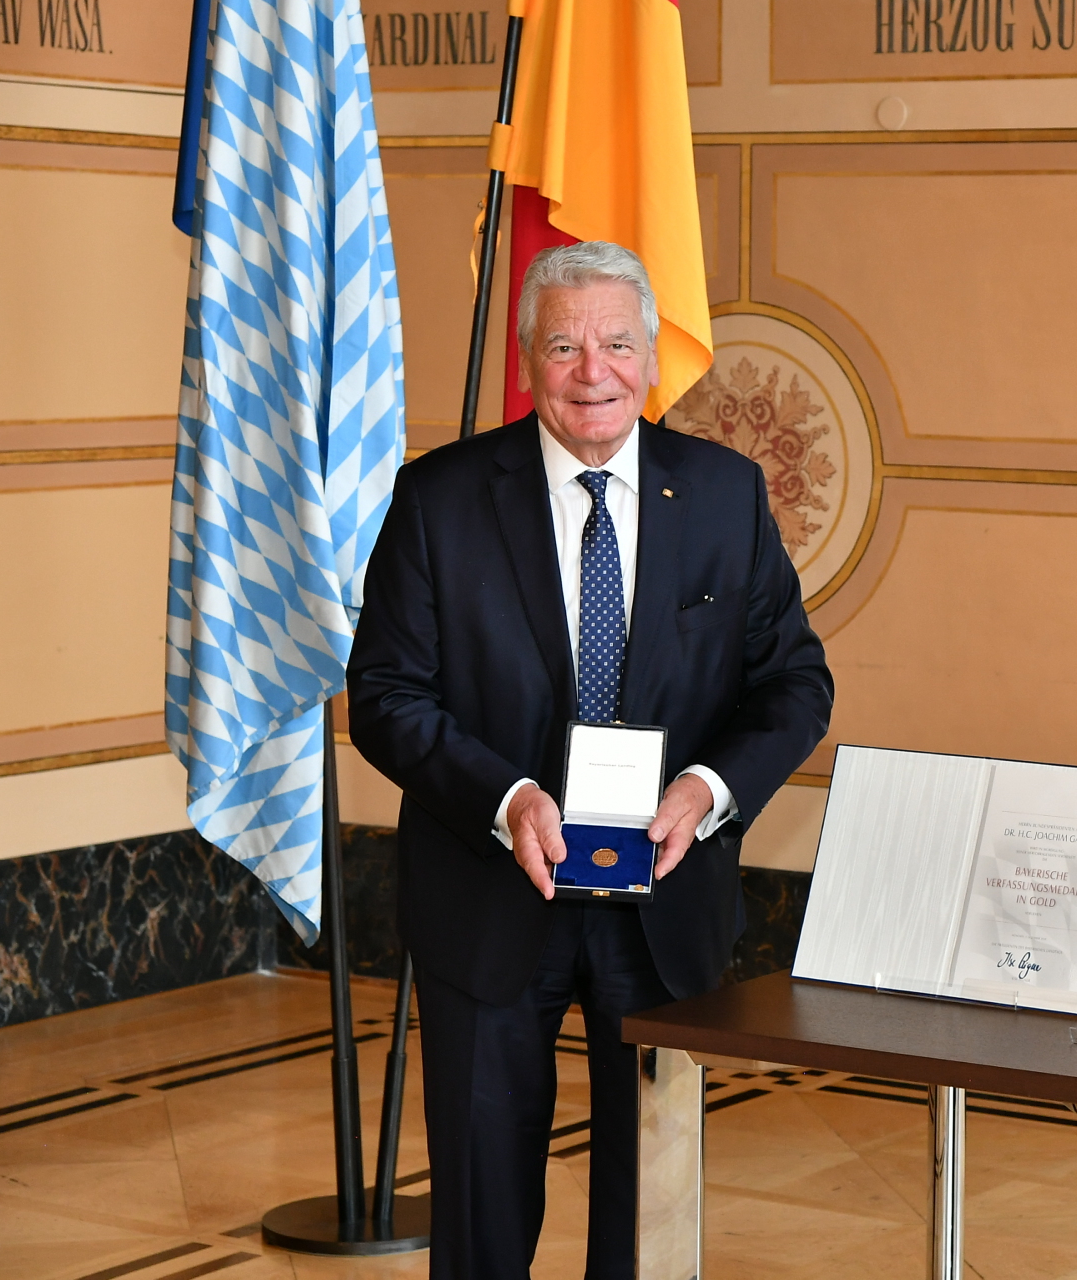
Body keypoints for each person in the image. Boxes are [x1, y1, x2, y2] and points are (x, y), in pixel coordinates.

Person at [347, 241, 834, 1280]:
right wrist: (507, 797)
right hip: (490, 897)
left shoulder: (724, 495)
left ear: (652, 357)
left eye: (616, 343)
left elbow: (795, 684)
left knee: (648, 1216)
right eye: (564, 346)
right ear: (529, 359)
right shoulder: (439, 498)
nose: (593, 371)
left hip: (664, 902)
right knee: (481, 1215)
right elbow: (385, 696)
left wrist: (707, 789)